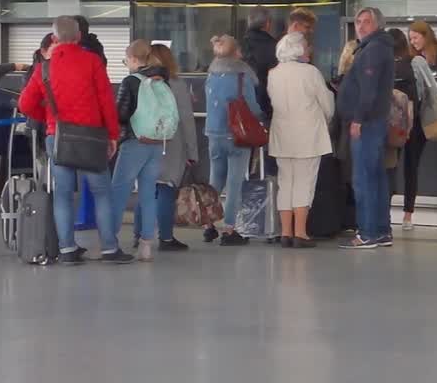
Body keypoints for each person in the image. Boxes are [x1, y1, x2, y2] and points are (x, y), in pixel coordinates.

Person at [18, 16, 130, 264]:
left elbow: (25, 104)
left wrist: (48, 119)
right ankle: (110, 249)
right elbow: (106, 103)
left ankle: (67, 250)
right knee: (102, 193)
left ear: (54, 38)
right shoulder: (93, 62)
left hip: (57, 137)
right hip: (91, 138)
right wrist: (112, 135)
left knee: (63, 194)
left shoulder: (43, 68)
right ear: (79, 37)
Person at [266, 32, 334, 249]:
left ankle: (285, 232)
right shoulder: (310, 72)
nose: (308, 49)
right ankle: (300, 233)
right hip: (308, 136)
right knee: (304, 183)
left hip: (282, 135)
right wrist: (326, 117)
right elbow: (327, 105)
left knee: (285, 183)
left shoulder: (273, 73)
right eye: (305, 45)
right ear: (298, 49)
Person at [336, 7, 395, 250]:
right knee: (377, 177)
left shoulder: (373, 50)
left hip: (367, 124)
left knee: (364, 179)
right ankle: (381, 230)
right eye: (358, 22)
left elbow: (368, 90)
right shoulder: (377, 47)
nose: (360, 26)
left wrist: (358, 119)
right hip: (374, 122)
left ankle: (368, 232)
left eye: (366, 22)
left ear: (378, 25)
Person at [110, 40, 171, 261]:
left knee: (118, 191)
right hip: (156, 143)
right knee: (148, 194)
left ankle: (110, 241)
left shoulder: (131, 81)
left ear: (134, 60)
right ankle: (146, 245)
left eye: (126, 60)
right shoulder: (162, 80)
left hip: (134, 142)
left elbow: (121, 115)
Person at [202, 34, 265, 246]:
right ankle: (229, 230)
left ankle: (208, 225)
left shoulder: (211, 74)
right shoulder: (241, 76)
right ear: (236, 52)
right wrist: (262, 117)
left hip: (213, 133)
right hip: (235, 135)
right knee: (234, 183)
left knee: (215, 181)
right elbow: (252, 107)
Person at [134, 43, 198, 252]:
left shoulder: (139, 82)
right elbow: (186, 121)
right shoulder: (176, 84)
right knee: (165, 190)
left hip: (142, 141)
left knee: (146, 190)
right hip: (169, 143)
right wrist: (192, 152)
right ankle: (166, 238)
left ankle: (139, 235)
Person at [392, 29, 437, 231]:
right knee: (411, 168)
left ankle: (384, 211)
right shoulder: (416, 62)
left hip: (391, 124)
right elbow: (433, 87)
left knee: (390, 168)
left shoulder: (384, 64)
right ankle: (407, 216)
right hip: (415, 122)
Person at [241, 6, 277, 116]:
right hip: (267, 102)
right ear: (267, 23)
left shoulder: (240, 44)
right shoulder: (274, 46)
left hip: (243, 101)